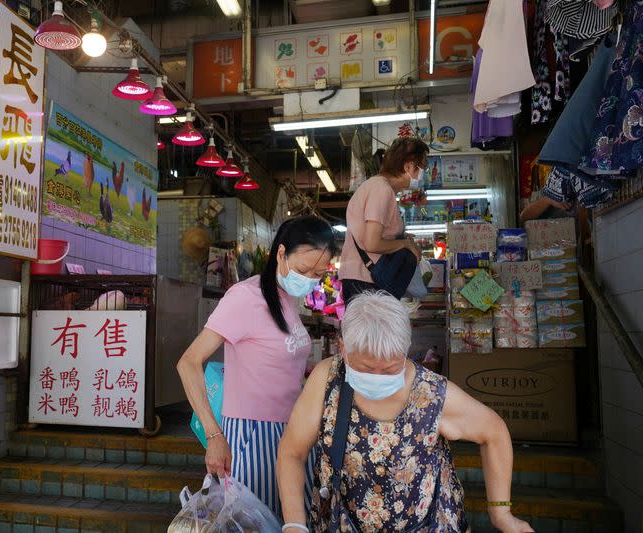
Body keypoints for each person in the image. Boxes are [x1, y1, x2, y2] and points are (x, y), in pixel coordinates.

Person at [277, 292, 534, 533]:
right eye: (366, 367)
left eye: (389, 369)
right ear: (343, 348)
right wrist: (294, 524)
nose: (377, 376)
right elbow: (292, 452)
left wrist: (502, 514)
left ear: (405, 352)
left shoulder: (431, 394)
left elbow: (494, 432)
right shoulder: (328, 379)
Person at [177, 216, 338, 517]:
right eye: (304, 270)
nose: (310, 279)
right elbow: (188, 362)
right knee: (258, 521)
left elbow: (281, 356)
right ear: (280, 253)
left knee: (292, 521)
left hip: (293, 431)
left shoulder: (287, 299)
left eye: (318, 273)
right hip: (253, 438)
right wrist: (214, 436)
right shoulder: (245, 297)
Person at [339, 137, 427, 304]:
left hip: (366, 278)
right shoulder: (381, 189)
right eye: (422, 168)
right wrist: (405, 244)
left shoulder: (381, 189)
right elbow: (372, 243)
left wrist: (401, 239)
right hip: (366, 281)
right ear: (408, 166)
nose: (424, 174)